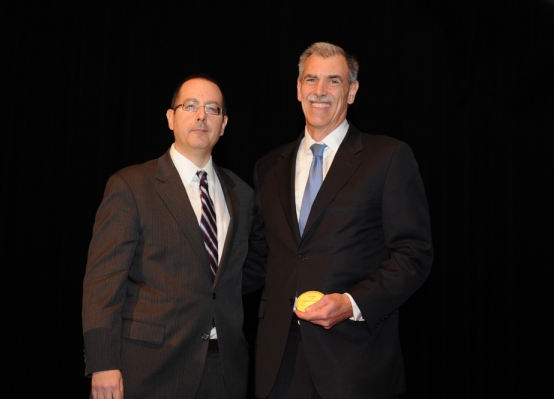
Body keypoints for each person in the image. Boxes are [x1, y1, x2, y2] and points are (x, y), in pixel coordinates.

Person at [244, 42, 434, 399]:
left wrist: (352, 303)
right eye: (311, 79)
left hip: (355, 359)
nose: (320, 91)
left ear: (352, 91)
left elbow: (414, 254)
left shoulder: (388, 157)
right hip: (278, 362)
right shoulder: (268, 166)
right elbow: (259, 258)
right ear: (298, 88)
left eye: (333, 81)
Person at [82, 75, 254, 399]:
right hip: (149, 367)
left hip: (223, 371)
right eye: (190, 106)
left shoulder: (242, 194)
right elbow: (102, 283)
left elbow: (242, 273)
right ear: (171, 118)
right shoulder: (131, 185)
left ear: (224, 124)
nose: (201, 115)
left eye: (212, 109)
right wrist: (102, 362)